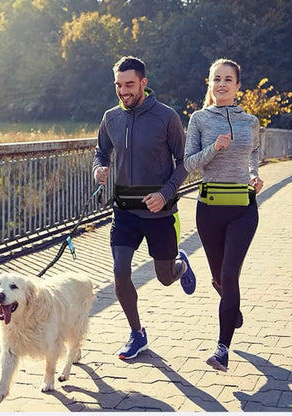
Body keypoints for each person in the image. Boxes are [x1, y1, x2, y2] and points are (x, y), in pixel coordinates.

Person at [93, 56, 196, 360]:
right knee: (120, 273)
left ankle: (181, 264)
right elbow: (100, 152)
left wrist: (165, 194)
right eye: (118, 85)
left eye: (129, 84)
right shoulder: (111, 117)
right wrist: (98, 170)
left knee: (165, 277)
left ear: (143, 83)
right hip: (124, 210)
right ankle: (137, 334)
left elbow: (184, 162)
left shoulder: (166, 117)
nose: (123, 91)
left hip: (159, 212)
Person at [184, 58, 264, 372]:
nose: (221, 84)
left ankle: (222, 349)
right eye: (216, 79)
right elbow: (190, 163)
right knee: (220, 279)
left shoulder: (250, 121)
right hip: (209, 210)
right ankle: (233, 308)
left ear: (237, 85)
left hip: (244, 209)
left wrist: (254, 175)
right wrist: (213, 149)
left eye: (228, 79)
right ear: (210, 83)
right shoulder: (199, 119)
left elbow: (255, 150)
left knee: (230, 275)